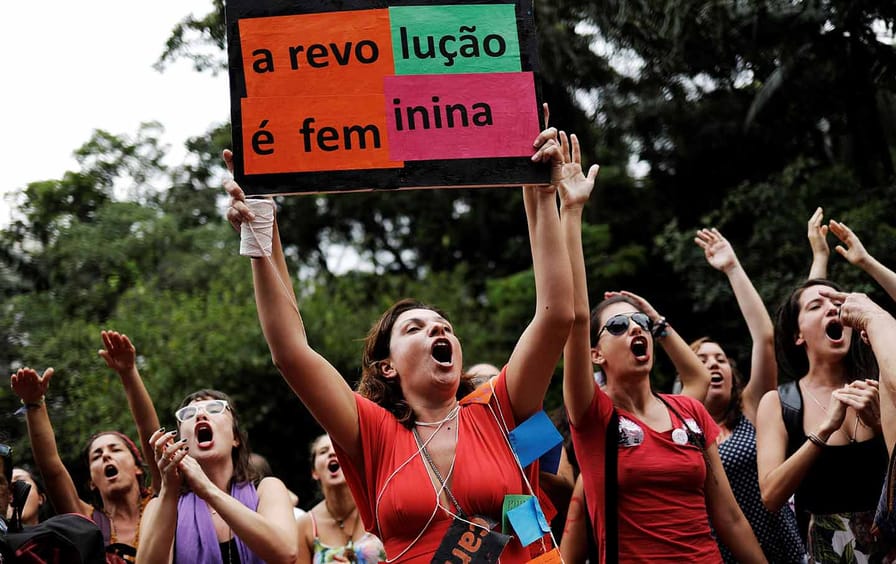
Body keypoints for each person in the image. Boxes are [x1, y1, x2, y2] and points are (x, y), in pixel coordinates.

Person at [225, 117, 574, 562]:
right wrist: (260, 227)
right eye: (416, 328)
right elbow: (291, 352)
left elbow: (557, 314)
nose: (439, 330)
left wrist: (543, 195)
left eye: (444, 326)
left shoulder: (499, 408)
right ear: (386, 366)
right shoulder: (373, 433)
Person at [558, 132, 764, 562]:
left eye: (641, 324)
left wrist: (657, 319)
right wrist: (572, 211)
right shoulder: (593, 416)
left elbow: (730, 518)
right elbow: (575, 318)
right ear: (595, 353)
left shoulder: (687, 412)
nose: (636, 329)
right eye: (617, 324)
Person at [693, 227, 805, 562]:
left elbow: (765, 338)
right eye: (701, 360)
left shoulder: (753, 408)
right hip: (726, 553)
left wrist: (732, 268)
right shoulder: (682, 431)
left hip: (782, 543)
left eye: (721, 359)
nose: (714, 364)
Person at [9, 330, 161, 562]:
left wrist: (128, 372)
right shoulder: (84, 519)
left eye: (115, 449)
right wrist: (34, 404)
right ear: (91, 480)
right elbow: (51, 468)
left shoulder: (161, 499)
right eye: (97, 456)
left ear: (138, 467)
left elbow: (151, 437)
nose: (106, 457)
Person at [138, 389, 298, 563]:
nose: (200, 415)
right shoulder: (159, 505)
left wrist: (208, 489)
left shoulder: (267, 489)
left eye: (214, 409)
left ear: (235, 438)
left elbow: (286, 554)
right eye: (189, 414)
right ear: (180, 442)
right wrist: (169, 490)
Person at [297, 434, 385, 564]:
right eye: (323, 451)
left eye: (338, 448)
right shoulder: (304, 526)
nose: (332, 453)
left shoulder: (379, 506)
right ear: (314, 472)